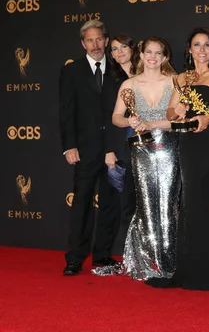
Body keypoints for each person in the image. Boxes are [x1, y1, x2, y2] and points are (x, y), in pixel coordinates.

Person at [147, 27, 209, 290]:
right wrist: (176, 110)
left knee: (205, 201)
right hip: (188, 143)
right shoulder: (181, 78)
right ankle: (188, 268)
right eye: (196, 45)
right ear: (189, 50)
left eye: (207, 45)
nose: (202, 50)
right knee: (189, 203)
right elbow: (170, 114)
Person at [111, 36, 181, 280]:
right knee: (147, 205)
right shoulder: (129, 84)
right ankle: (149, 263)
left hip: (170, 147)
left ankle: (170, 261)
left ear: (165, 57)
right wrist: (128, 121)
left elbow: (179, 120)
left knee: (169, 204)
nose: (152, 57)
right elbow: (116, 117)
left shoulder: (175, 81)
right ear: (140, 55)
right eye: (148, 52)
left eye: (158, 53)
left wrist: (152, 123)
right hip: (141, 149)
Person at [59, 20, 120, 276]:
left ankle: (102, 256)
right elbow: (66, 111)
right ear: (83, 43)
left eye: (99, 40)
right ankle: (74, 258)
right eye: (90, 40)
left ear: (106, 41)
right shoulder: (72, 71)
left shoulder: (119, 70)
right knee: (82, 202)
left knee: (110, 204)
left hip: (114, 150)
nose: (95, 45)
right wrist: (69, 146)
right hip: (84, 149)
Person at [102, 34, 139, 253]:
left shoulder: (149, 73)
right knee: (128, 204)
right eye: (115, 49)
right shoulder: (109, 81)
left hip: (153, 145)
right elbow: (106, 117)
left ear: (134, 49)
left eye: (124, 46)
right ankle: (132, 256)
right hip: (123, 146)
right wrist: (109, 150)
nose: (120, 52)